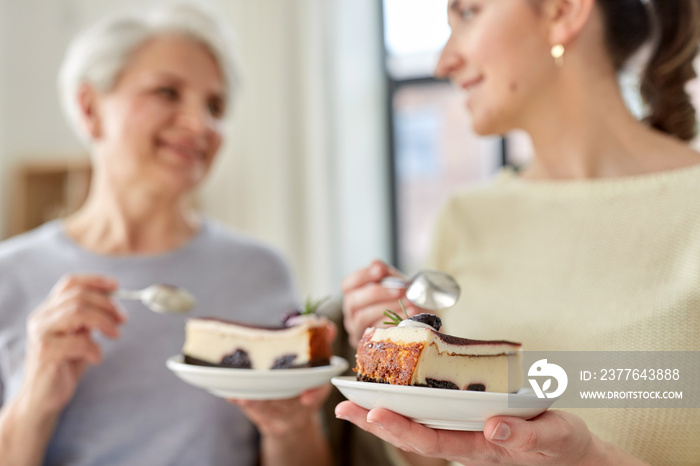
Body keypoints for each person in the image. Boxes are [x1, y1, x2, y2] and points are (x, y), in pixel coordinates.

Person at [337, 0, 700, 465]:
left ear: (563, 11)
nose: (443, 61)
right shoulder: (464, 217)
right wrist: (401, 378)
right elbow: (441, 455)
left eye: (468, 13)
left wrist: (593, 460)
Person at [0, 4, 333, 465]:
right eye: (167, 92)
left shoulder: (259, 271)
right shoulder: (9, 276)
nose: (201, 125)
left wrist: (289, 426)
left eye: (215, 106)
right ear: (90, 107)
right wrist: (34, 400)